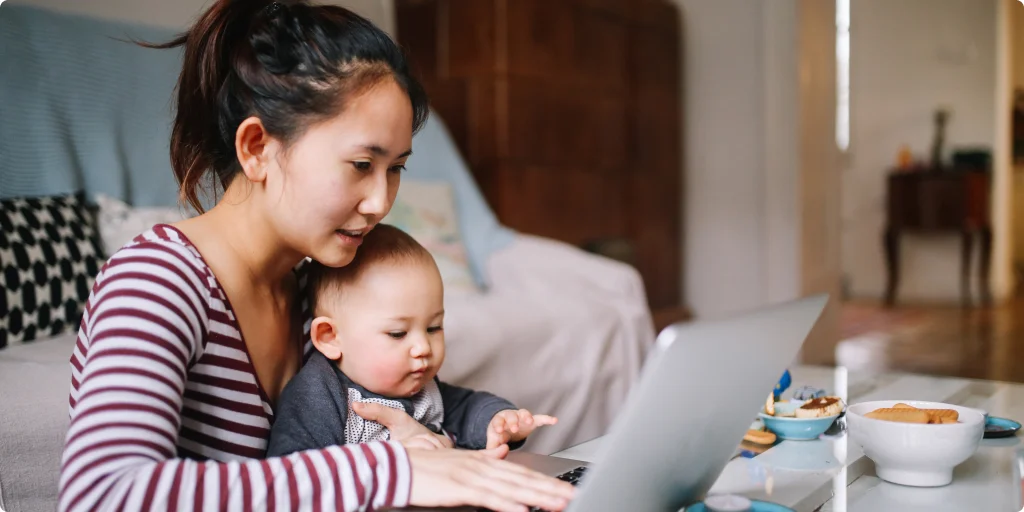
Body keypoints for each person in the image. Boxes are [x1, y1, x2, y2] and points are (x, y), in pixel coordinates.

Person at [56, 1, 575, 511]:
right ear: (258, 147)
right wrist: (390, 472)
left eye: (395, 168)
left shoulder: (320, 286)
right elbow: (103, 493)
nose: (381, 203)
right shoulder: (156, 282)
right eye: (360, 163)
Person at [266, 224, 557, 457]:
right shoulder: (319, 395)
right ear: (330, 338)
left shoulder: (422, 387)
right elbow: (296, 474)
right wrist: (390, 457)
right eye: (397, 333)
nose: (423, 348)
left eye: (433, 327)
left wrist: (499, 420)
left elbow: (466, 408)